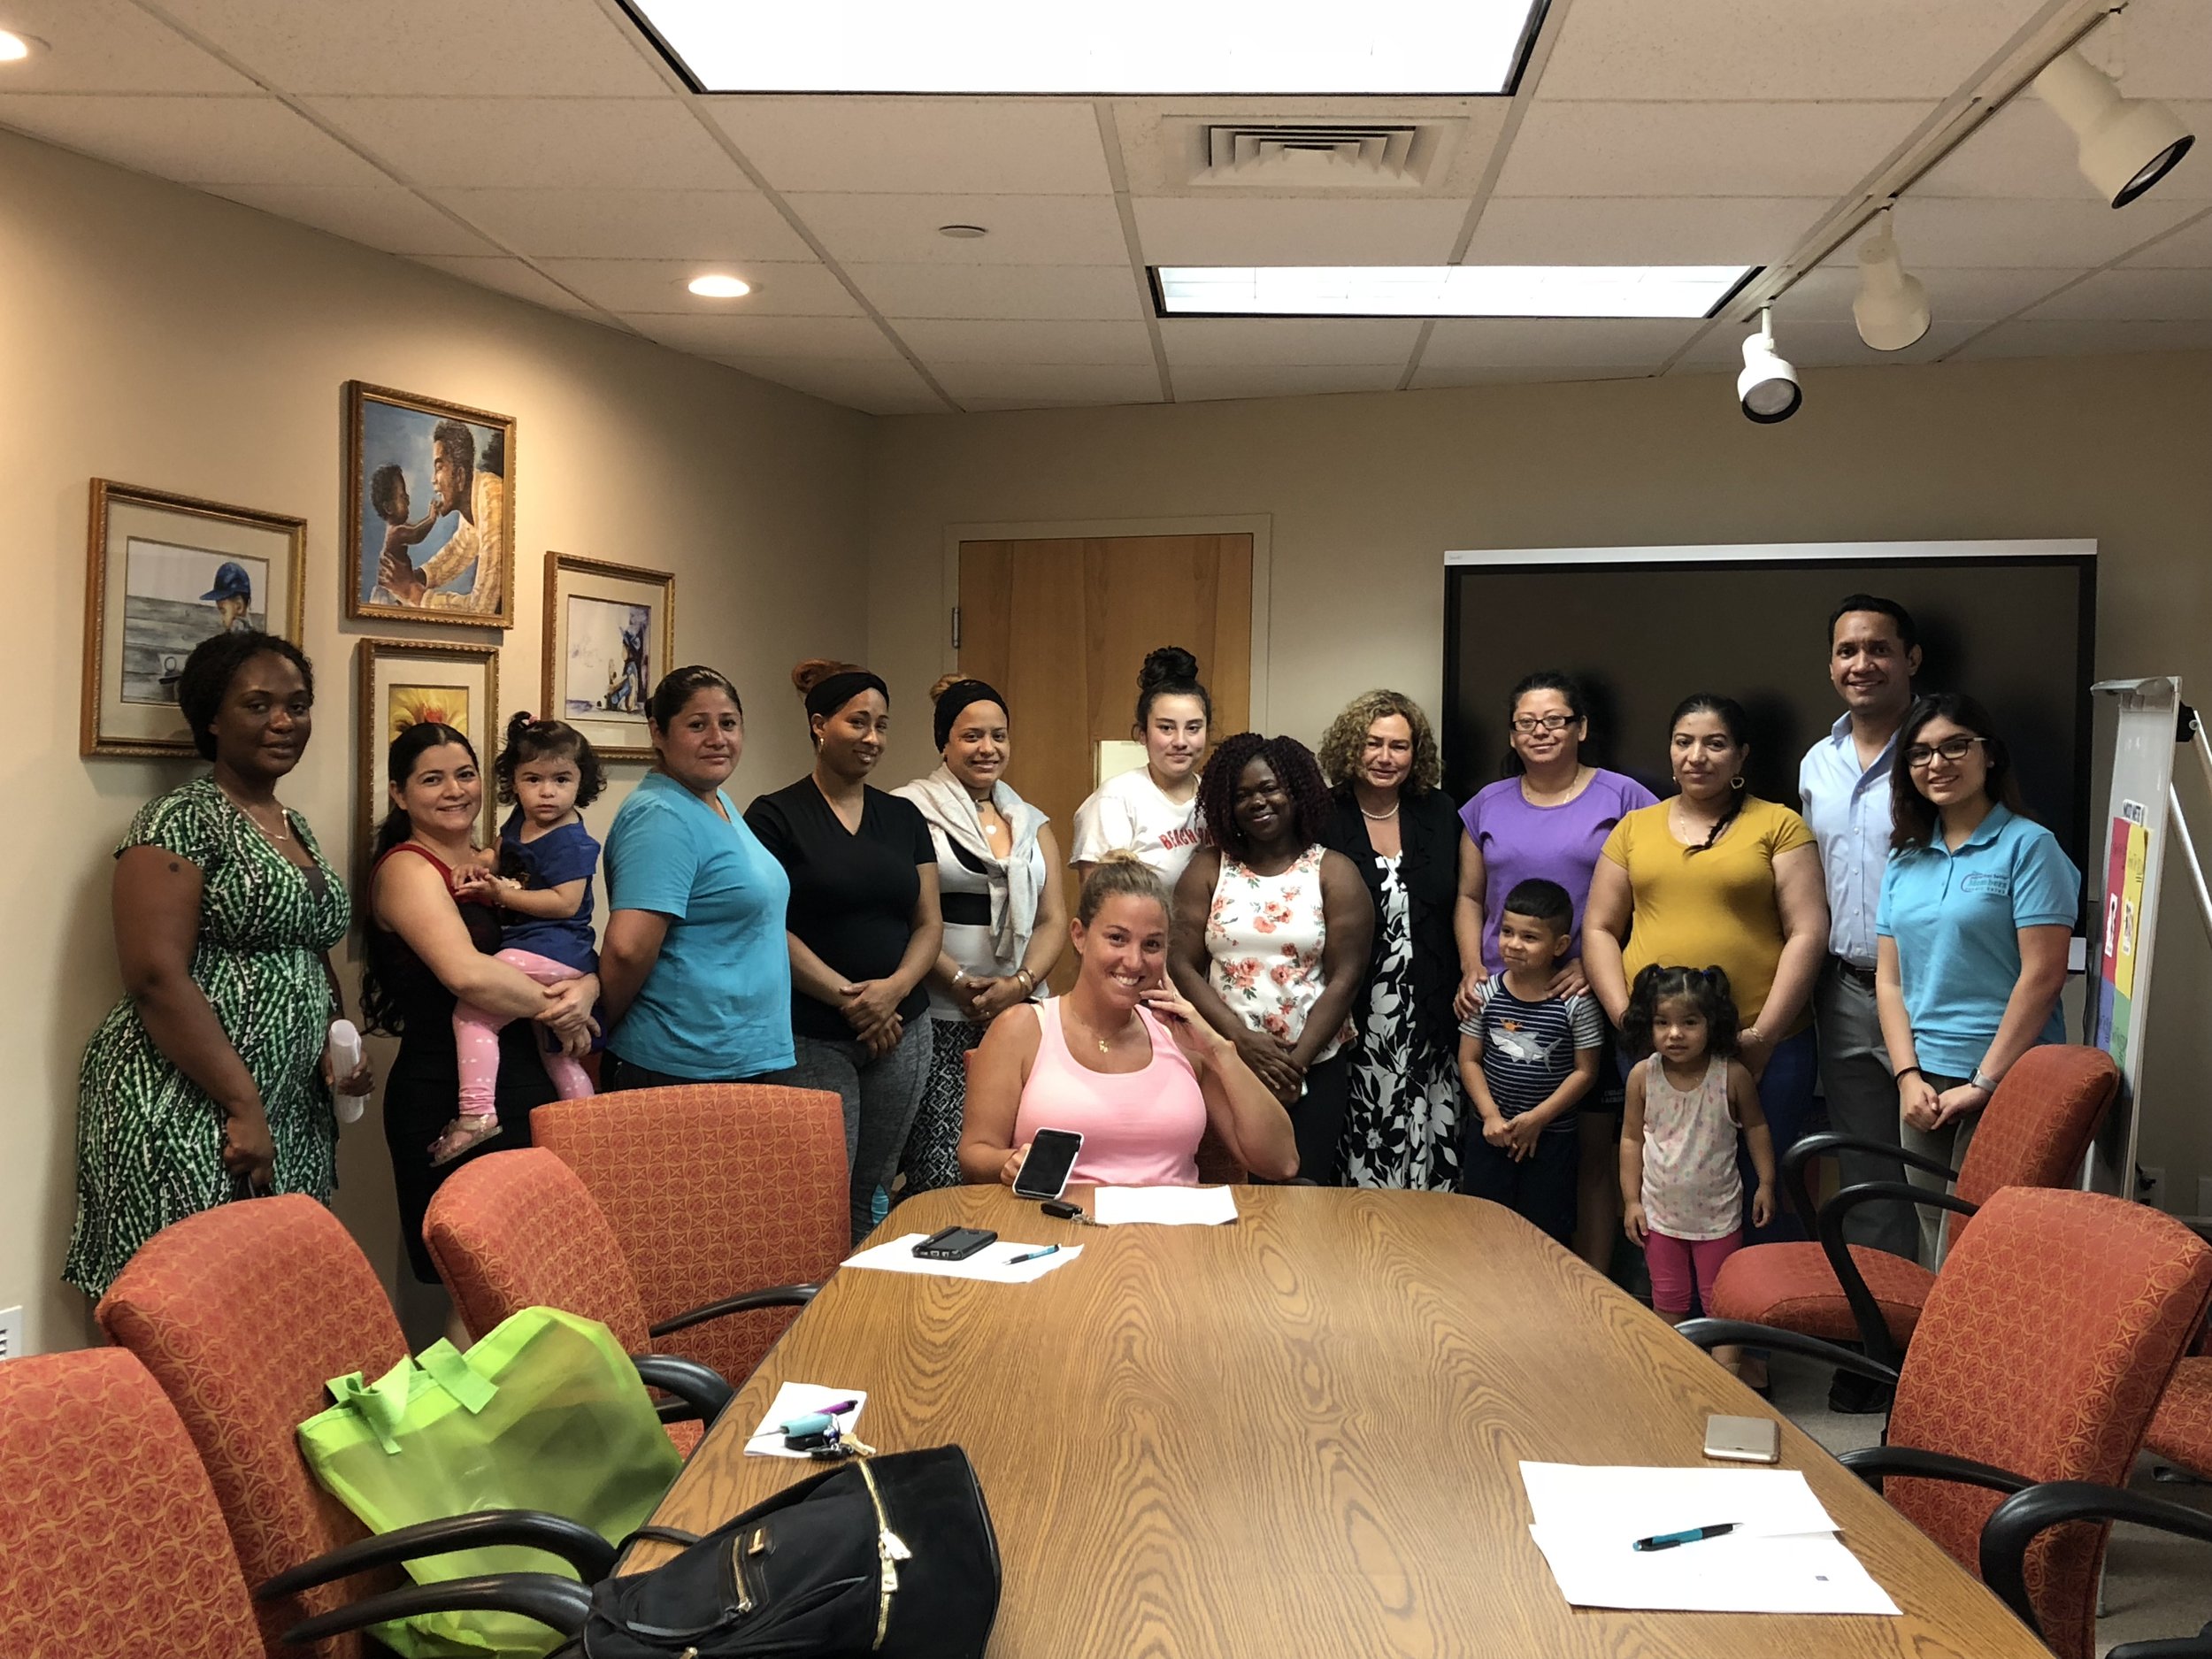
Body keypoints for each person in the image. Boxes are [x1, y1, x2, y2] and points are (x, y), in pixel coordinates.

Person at [65, 631, 369, 1298]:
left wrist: (334, 1045)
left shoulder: (291, 824)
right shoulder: (178, 821)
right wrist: (243, 1105)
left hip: (287, 1107)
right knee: (182, 1304)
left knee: (270, 1301)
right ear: (211, 717)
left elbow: (307, 945)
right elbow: (153, 978)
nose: (284, 721)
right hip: (186, 1102)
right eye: (258, 705)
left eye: (298, 703)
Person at [1584, 694, 1827, 1248]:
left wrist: (1762, 1037)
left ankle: (1758, 1328)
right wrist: (1629, 1021)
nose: (1698, 756)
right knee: (1668, 1192)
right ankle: (1679, 1324)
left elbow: (1808, 933)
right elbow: (1598, 928)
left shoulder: (1779, 825)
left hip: (1765, 1048)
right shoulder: (1634, 829)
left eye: (1715, 743)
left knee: (1763, 1192)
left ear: (1741, 756)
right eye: (1684, 742)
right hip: (1656, 1047)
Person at [363, 723, 598, 1282]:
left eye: (464, 775)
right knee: (479, 1287)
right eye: (432, 779)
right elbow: (468, 977)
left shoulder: (496, 858)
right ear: (399, 793)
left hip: (528, 1080)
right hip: (452, 1094)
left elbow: (563, 937)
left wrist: (587, 987)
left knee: (537, 1273)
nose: (454, 790)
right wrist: (566, 1007)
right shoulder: (407, 869)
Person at [1456, 672, 1657, 1270]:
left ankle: (1589, 1286)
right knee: (1503, 1147)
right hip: (1505, 999)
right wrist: (1472, 966)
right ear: (1513, 734)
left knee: (1593, 1155)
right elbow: (1470, 898)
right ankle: (1500, 1279)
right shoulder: (1486, 803)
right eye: (1526, 722)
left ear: (1581, 727)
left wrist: (1599, 967)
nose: (1540, 731)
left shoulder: (1625, 798)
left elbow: (1651, 895)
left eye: (1554, 719)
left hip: (1585, 996)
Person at [1877, 693, 2077, 1267]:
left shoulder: (2029, 847)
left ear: (1989, 755)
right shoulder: (1905, 858)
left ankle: (1978, 1361)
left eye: (1954, 745)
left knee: (1976, 1253)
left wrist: (1986, 1081)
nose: (1936, 763)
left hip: (2009, 1075)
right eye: (1919, 753)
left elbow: (2043, 975)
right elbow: (1889, 982)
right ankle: (1942, 1360)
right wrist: (1906, 1075)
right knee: (1937, 1245)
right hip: (1925, 1082)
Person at [749, 661, 943, 1241]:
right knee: (819, 1192)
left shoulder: (904, 817)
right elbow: (766, 926)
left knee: (874, 1187)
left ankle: (862, 1314)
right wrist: (852, 999)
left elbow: (929, 923)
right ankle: (810, 1320)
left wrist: (893, 993)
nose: (873, 738)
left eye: (882, 725)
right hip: (811, 1032)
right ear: (818, 724)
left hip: (903, 1029)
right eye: (858, 722)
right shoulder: (774, 815)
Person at [959, 855, 1298, 1186]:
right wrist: (1009, 1163)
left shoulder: (1183, 1038)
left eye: (1152, 945)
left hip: (1176, 1234)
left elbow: (1281, 1162)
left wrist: (1218, 1050)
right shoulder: (1022, 1028)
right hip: (1061, 1229)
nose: (1134, 961)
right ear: (1079, 936)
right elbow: (975, 1153)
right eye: (1117, 938)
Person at [1170, 733, 1373, 1183]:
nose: (1257, 802)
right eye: (1242, 795)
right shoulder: (1208, 868)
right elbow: (1180, 964)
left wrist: (1292, 1066)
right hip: (1224, 1061)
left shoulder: (1334, 871)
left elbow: (1346, 978)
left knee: (1303, 1196)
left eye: (1269, 789)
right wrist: (1240, 1042)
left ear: (1296, 792)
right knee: (1229, 1194)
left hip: (1314, 1064)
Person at [893, 676, 1067, 1194]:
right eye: (972, 736)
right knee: (942, 1170)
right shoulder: (908, 811)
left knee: (1016, 1162)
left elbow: (1054, 918)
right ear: (943, 741)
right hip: (942, 1016)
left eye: (999, 736)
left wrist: (1020, 983)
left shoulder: (1031, 821)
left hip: (1019, 1018)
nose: (988, 749)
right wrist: (961, 981)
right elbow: (906, 913)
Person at [1799, 595, 1924, 1275]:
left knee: (1947, 1180)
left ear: (1911, 658)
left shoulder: (1941, 749)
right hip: (1846, 989)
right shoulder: (1819, 760)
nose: (1862, 663)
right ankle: (1887, 1347)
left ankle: (1957, 1352)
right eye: (1848, 650)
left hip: (1934, 991)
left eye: (1878, 648)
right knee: (1868, 1175)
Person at [598, 667, 794, 1089]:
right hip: (682, 1064)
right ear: (657, 732)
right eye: (697, 725)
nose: (717, 738)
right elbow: (628, 950)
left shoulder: (716, 800)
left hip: (743, 1056)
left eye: (728, 723)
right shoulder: (660, 817)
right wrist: (597, 1034)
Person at [1316, 689, 1473, 1190]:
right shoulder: (1322, 814)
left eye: (1399, 746)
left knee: (1433, 1132)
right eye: (1373, 743)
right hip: (1356, 1005)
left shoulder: (1440, 811)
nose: (1386, 758)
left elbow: (1466, 900)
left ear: (1416, 752)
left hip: (1432, 1003)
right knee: (1362, 1130)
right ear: (1350, 747)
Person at [430, 711, 603, 1165]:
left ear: (581, 782)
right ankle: (582, 1134)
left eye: (561, 779)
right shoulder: (521, 822)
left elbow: (566, 903)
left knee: (474, 1015)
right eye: (533, 779)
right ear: (514, 783)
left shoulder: (572, 841)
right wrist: (479, 864)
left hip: (551, 948)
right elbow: (500, 853)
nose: (547, 792)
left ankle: (475, 1114)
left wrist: (500, 892)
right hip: (543, 952)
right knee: (559, 1053)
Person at [1619, 965, 1776, 1381]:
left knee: (1720, 1303)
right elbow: (1631, 1140)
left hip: (1719, 1218)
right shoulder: (1642, 1077)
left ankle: (1726, 1382)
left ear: (1712, 1024)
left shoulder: (1731, 1076)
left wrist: (1767, 1183)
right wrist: (1632, 1201)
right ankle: (1669, 1378)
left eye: (1689, 1022)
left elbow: (1757, 1128)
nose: (1675, 1034)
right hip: (1660, 1217)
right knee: (1667, 1299)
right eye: (1662, 1022)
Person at [1456, 879, 1604, 1245]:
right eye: (1507, 932)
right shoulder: (1485, 994)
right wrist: (1491, 1115)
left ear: (1560, 946)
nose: (1514, 945)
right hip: (1491, 1134)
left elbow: (1586, 1071)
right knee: (1482, 1226)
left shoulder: (1576, 1003)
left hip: (1550, 1140)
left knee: (1544, 1235)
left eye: (1530, 937)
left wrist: (1538, 1119)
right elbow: (1470, 1059)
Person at [1069, 645, 1210, 885]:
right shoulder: (1116, 800)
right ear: (1143, 734)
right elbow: (1099, 904)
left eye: (1193, 728)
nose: (1180, 741)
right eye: (1166, 728)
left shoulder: (1216, 798)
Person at [377, 419, 506, 616]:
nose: (432, 480)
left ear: (460, 476)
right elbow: (459, 550)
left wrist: (414, 592)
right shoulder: (475, 498)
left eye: (439, 467)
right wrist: (415, 578)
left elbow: (482, 607)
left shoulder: (492, 495)